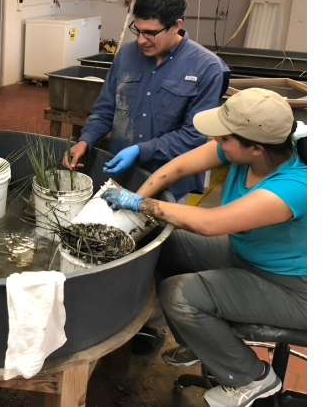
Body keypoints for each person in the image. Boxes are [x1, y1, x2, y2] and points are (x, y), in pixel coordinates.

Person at [101, 88, 307, 407]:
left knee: (178, 294)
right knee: (164, 242)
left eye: (225, 139)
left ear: (254, 148)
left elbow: (210, 224)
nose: (217, 144)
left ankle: (251, 377)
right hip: (247, 255)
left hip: (294, 289)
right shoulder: (252, 146)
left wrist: (143, 205)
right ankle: (202, 341)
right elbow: (176, 169)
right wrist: (133, 211)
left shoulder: (294, 187)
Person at [63, 0, 230, 201]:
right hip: (123, 172)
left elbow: (193, 136)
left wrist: (142, 150)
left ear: (177, 26)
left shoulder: (207, 67)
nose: (141, 40)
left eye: (151, 33)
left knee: (160, 232)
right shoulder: (127, 55)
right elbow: (106, 108)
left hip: (171, 181)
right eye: (138, 30)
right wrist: (85, 140)